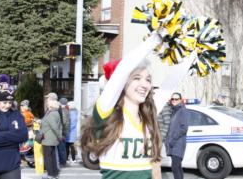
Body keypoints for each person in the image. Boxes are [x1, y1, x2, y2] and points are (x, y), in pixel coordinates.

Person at [81, 32, 196, 179]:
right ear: (122, 83)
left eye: (148, 80)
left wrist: (194, 52)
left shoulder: (147, 115)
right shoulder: (105, 112)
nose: (144, 84)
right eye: (137, 78)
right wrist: (156, 39)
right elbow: (122, 70)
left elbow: (171, 84)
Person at [0, 89, 28, 179]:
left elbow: (24, 136)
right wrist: (13, 137)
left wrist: (1, 134)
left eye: (10, 102)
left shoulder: (17, 115)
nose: (7, 105)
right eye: (4, 102)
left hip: (12, 164)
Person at [166, 92, 188, 179]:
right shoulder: (174, 111)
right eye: (173, 99)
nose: (174, 100)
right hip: (173, 143)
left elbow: (184, 128)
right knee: (178, 167)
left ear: (180, 100)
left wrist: (173, 139)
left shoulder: (182, 110)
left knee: (175, 167)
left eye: (176, 99)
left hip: (178, 143)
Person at [41, 94, 62, 179]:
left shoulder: (52, 114)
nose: (47, 102)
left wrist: (59, 136)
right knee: (52, 156)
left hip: (48, 138)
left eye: (48, 102)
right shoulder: (55, 113)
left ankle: (50, 174)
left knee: (48, 157)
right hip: (52, 138)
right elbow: (58, 126)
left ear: (52, 105)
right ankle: (54, 173)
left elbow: (54, 127)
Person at [57, 97, 70, 167]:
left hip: (63, 131)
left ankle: (62, 162)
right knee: (62, 147)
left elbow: (64, 122)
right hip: (65, 131)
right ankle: (63, 161)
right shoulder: (66, 110)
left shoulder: (63, 111)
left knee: (61, 147)